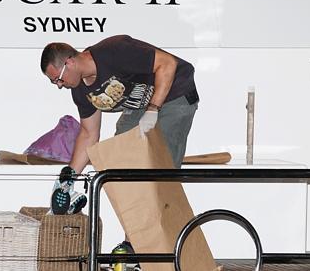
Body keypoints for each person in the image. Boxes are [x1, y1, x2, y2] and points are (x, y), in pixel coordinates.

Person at [40, 35, 200, 215]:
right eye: (55, 82)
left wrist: (153, 109)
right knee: (121, 161)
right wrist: (69, 176)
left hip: (175, 93)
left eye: (58, 79)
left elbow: (168, 64)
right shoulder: (80, 90)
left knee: (161, 169)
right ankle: (131, 240)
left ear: (69, 63)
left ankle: (169, 228)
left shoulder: (114, 51)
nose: (59, 85)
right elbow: (88, 134)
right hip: (142, 104)